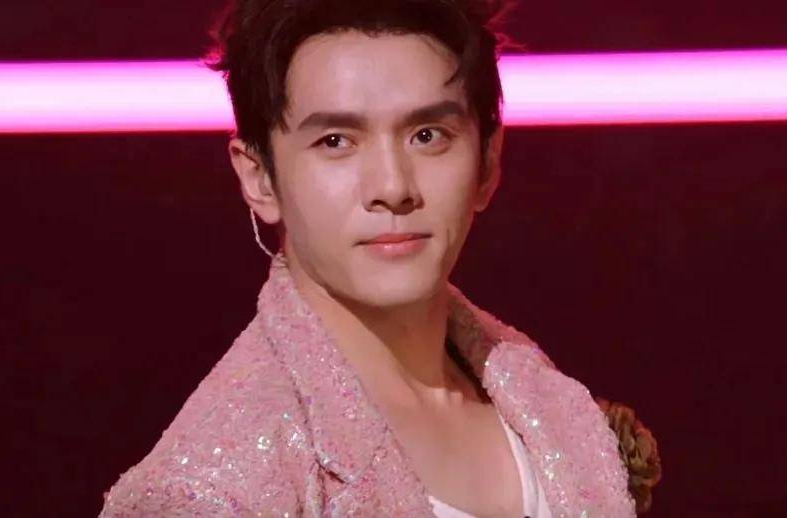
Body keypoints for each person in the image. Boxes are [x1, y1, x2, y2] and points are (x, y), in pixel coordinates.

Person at [99, 0, 635, 516]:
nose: (393, 187)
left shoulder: (552, 407)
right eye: (336, 141)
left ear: (488, 161)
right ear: (258, 177)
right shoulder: (209, 490)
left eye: (427, 136)